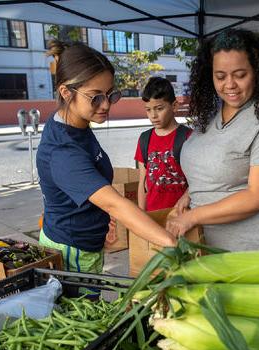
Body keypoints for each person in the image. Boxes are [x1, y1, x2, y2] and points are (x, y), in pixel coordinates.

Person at [37, 41, 175, 273]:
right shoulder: (63, 151)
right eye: (95, 97)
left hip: (87, 242)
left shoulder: (74, 122)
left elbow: (92, 191)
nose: (105, 105)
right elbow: (115, 203)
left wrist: (100, 219)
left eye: (110, 95)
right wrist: (170, 242)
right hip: (73, 250)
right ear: (65, 92)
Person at [166, 29, 259, 251]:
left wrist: (193, 216)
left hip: (250, 249)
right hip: (205, 244)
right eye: (220, 76)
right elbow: (212, 166)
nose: (230, 84)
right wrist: (189, 195)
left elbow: (258, 197)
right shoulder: (212, 115)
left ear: (257, 72)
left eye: (240, 74)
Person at [135, 77, 192, 211]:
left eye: (159, 108)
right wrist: (142, 215)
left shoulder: (188, 137)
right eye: (148, 110)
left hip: (183, 217)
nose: (153, 115)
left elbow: (200, 181)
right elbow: (142, 183)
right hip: (153, 218)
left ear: (174, 106)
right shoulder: (144, 139)